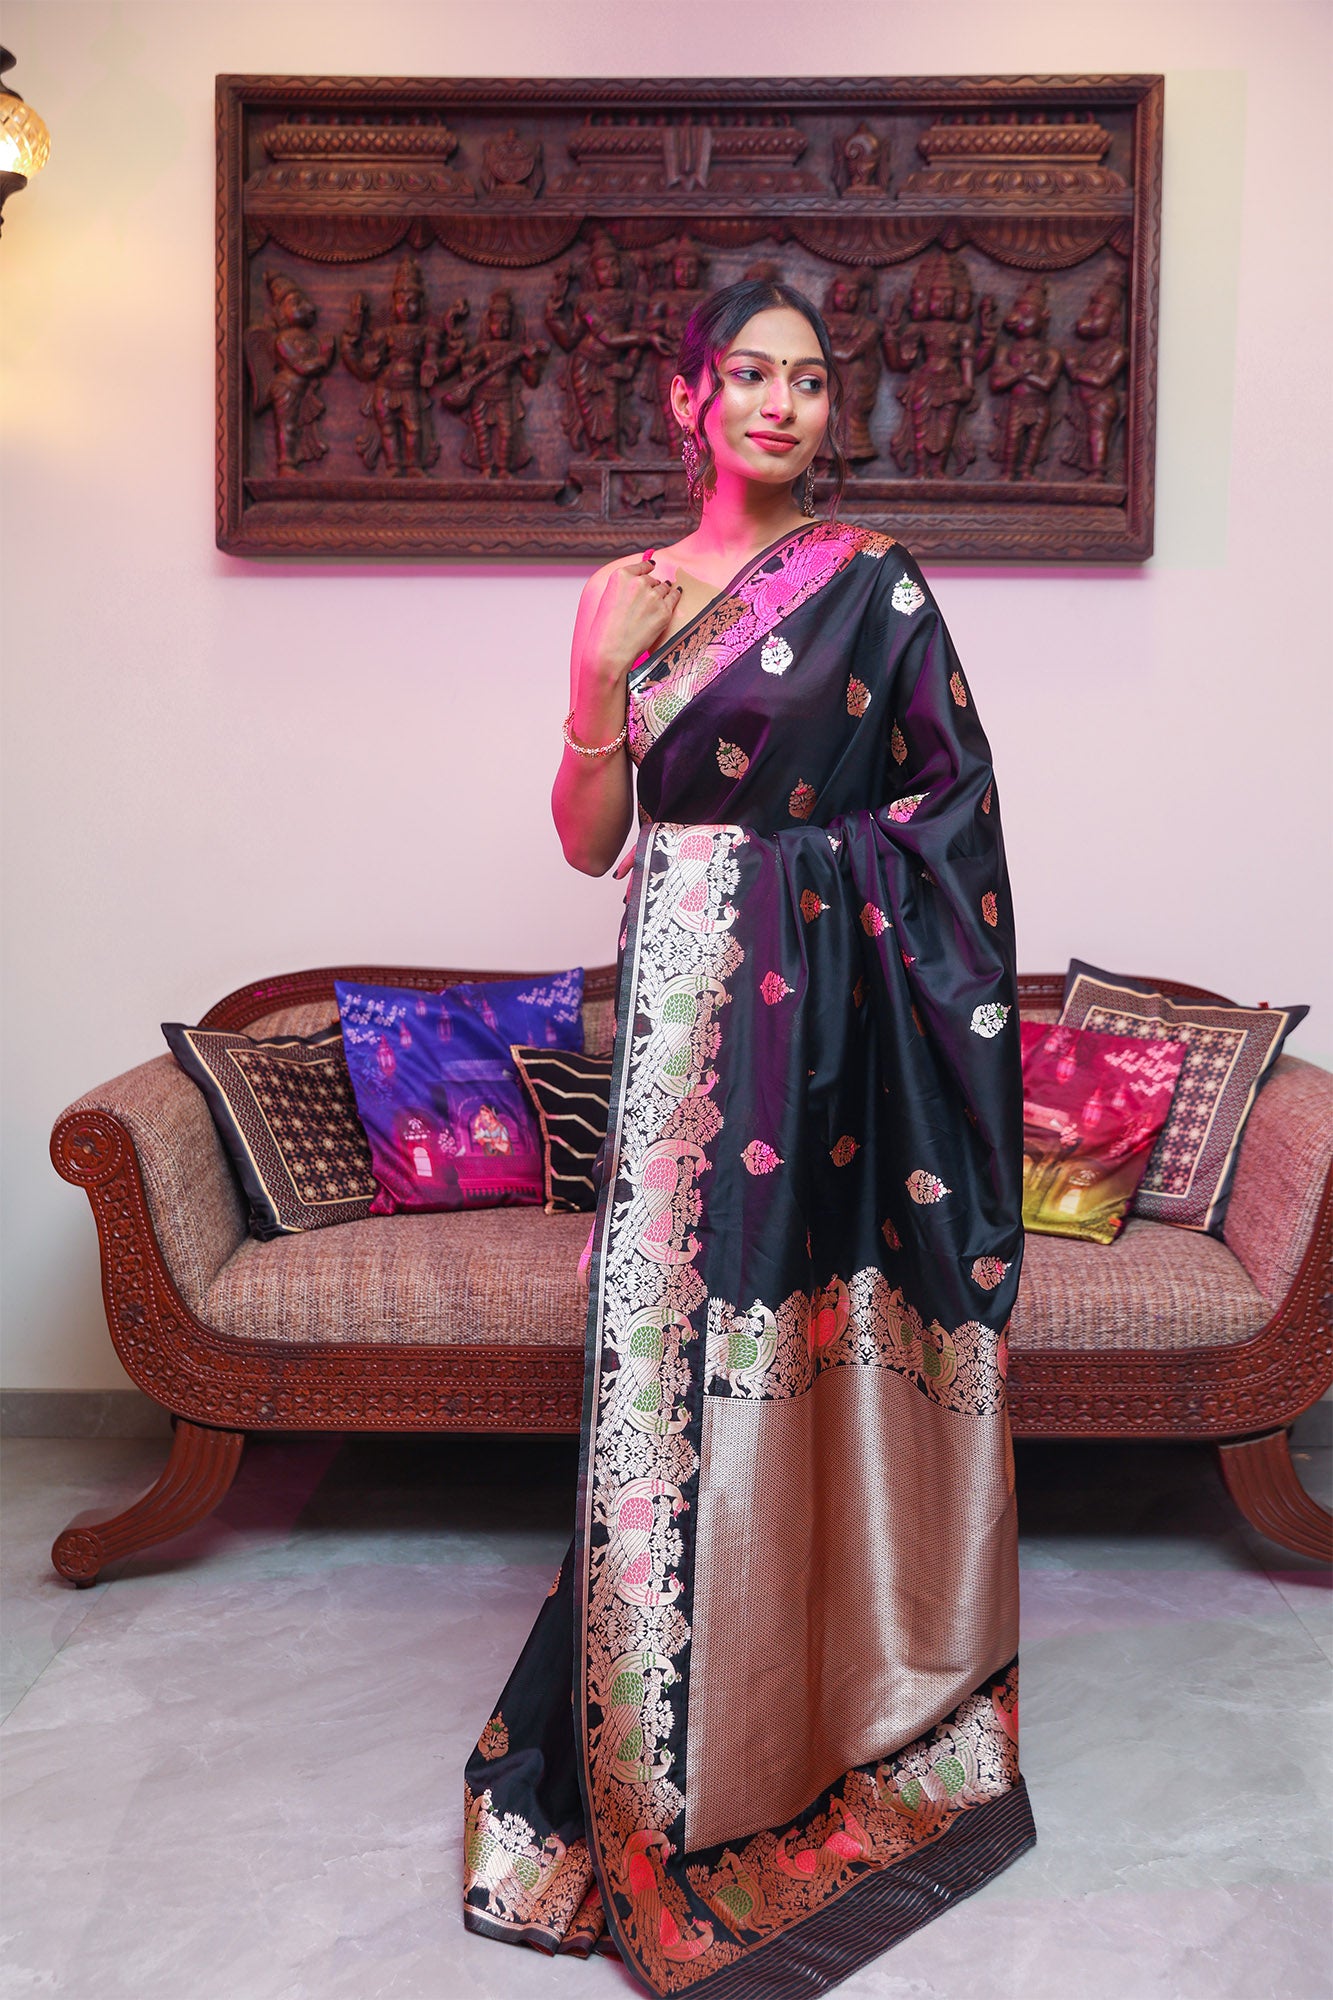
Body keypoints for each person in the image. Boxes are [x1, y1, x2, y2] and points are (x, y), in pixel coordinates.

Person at [462, 278, 1034, 1997]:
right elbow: (589, 840)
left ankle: (835, 1707)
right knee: (664, 1375)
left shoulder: (874, 584)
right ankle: (662, 1734)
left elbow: (947, 818)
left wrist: (774, 886)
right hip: (680, 1041)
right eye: (750, 375)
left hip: (833, 1052)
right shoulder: (627, 590)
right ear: (688, 397)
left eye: (809, 380)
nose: (782, 403)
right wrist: (595, 684)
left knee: (790, 1348)